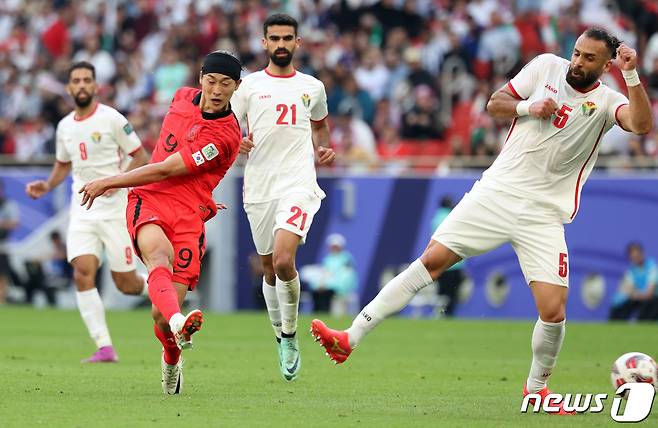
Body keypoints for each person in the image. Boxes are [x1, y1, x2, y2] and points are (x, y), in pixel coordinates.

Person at [311, 27, 653, 414]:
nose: (577, 62)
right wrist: (529, 107)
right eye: (576, 53)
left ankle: (537, 389)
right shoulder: (545, 67)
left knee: (553, 310)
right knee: (431, 261)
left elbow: (641, 125)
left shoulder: (608, 101)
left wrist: (631, 75)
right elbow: (496, 103)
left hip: (543, 214)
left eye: (589, 59)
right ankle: (349, 337)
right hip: (495, 193)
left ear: (606, 65)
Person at [79, 50, 243, 394]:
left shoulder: (225, 136)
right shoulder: (181, 97)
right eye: (211, 81)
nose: (216, 90)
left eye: (225, 84)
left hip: (189, 215)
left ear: (236, 87)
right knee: (157, 256)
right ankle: (181, 321)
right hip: (149, 198)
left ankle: (172, 351)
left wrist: (108, 180)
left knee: (158, 314)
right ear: (200, 78)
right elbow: (163, 165)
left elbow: (169, 167)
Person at [231, 13, 335, 382]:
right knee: (269, 268)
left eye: (286, 38)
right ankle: (278, 333)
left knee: (284, 258)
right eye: (273, 38)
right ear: (263, 43)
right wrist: (236, 141)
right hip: (258, 187)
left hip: (297, 182)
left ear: (297, 42)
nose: (280, 44)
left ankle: (289, 336)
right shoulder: (248, 87)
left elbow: (320, 125)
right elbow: (227, 126)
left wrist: (322, 147)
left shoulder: (312, 86)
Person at [26, 61, 150, 363]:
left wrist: (114, 182)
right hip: (82, 209)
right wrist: (48, 184)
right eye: (76, 81)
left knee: (127, 284)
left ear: (95, 87)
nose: (81, 86)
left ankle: (163, 286)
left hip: (115, 208)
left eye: (86, 81)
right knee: (82, 273)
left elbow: (140, 156)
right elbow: (64, 163)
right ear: (69, 88)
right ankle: (105, 346)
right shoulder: (65, 125)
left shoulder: (111, 119)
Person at [430, 196, 464, 317]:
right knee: (451, 295)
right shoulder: (451, 217)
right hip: (454, 263)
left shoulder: (435, 218)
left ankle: (441, 315)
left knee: (442, 293)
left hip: (440, 263)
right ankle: (447, 315)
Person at [609, 242, 658, 321]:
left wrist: (634, 294)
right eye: (632, 257)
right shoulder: (631, 270)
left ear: (642, 254)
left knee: (650, 302)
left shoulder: (652, 267)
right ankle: (615, 326)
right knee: (618, 303)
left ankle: (640, 323)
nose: (635, 258)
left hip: (653, 299)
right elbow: (624, 289)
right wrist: (632, 294)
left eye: (637, 255)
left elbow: (649, 293)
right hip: (640, 297)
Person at [0, 179, 19, 304]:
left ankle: (1, 299)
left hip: (2, 245)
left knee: (2, 273)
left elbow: (14, 223)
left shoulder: (8, 204)